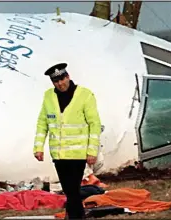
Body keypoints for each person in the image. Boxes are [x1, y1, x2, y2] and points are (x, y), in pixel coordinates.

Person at [33, 63, 102, 219]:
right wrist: (38, 147)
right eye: (56, 81)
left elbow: (95, 124)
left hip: (77, 154)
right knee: (70, 191)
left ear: (68, 77)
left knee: (72, 191)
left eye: (62, 79)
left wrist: (92, 151)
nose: (60, 84)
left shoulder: (85, 95)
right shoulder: (48, 96)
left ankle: (75, 217)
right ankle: (74, 216)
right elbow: (42, 122)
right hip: (58, 154)